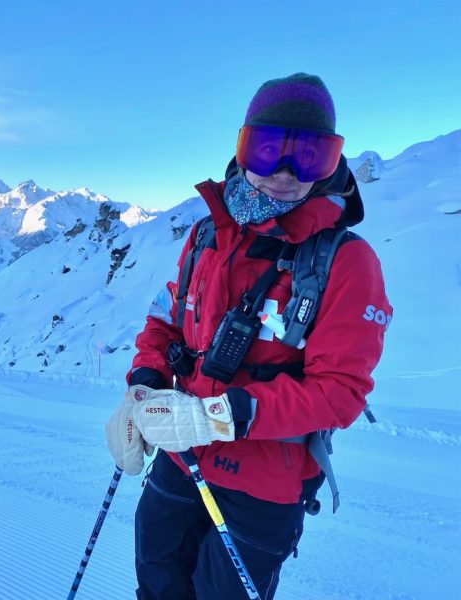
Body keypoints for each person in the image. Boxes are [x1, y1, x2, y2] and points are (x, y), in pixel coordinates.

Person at [105, 73, 391, 599]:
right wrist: (142, 384)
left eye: (309, 156)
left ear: (332, 163)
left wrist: (223, 414)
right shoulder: (206, 234)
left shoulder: (346, 261)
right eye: (267, 151)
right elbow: (165, 323)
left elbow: (342, 392)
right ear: (242, 151)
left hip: (263, 485)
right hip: (179, 457)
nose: (284, 174)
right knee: (156, 586)